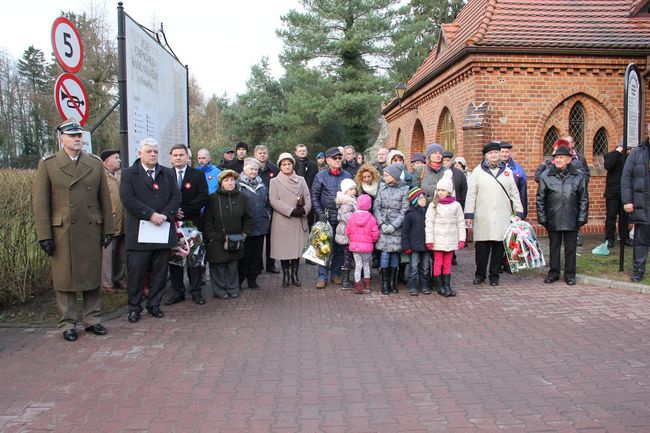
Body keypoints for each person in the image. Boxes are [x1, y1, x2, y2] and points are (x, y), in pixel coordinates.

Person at [33, 119, 114, 341]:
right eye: (72, 136)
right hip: (63, 231)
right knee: (64, 279)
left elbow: (104, 200)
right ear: (62, 139)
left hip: (90, 229)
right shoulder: (49, 164)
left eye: (79, 135)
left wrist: (108, 228)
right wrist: (44, 235)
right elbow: (41, 203)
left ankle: (92, 319)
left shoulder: (95, 163)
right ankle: (67, 323)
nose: (78, 139)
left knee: (91, 277)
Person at [120, 138, 181, 323]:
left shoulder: (167, 173)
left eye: (155, 151)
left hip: (162, 230)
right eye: (149, 151)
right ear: (140, 153)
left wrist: (165, 215)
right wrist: (150, 214)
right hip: (139, 233)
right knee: (137, 273)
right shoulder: (129, 174)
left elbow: (175, 197)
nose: (153, 154)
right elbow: (128, 199)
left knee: (160, 272)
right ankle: (134, 308)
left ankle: (154, 304)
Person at [464, 141, 524, 287]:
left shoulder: (507, 171)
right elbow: (471, 194)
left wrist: (519, 211)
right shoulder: (478, 172)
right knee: (482, 249)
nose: (494, 155)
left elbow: (514, 192)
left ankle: (494, 275)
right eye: (490, 153)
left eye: (496, 152)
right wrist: (469, 214)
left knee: (498, 248)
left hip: (501, 215)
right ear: (485, 155)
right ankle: (480, 274)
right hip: (483, 215)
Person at [536, 145, 589, 285]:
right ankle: (553, 273)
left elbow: (583, 198)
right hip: (553, 216)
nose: (558, 160)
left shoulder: (578, 175)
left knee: (570, 248)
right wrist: (542, 218)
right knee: (554, 247)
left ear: (569, 159)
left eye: (561, 157)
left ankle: (570, 274)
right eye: (556, 157)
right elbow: (540, 198)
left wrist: (582, 217)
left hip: (572, 216)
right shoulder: (546, 175)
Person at [165, 144, 209, 306]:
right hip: (172, 223)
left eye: (181, 155)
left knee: (194, 259)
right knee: (175, 259)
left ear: (187, 157)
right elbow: (161, 197)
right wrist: (173, 212)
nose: (178, 158)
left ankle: (196, 291)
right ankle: (178, 291)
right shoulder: (165, 175)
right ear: (171, 157)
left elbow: (203, 196)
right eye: (175, 155)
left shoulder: (197, 175)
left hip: (193, 223)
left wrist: (183, 210)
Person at [203, 170, 252, 299]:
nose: (230, 183)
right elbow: (207, 219)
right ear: (221, 183)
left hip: (235, 238)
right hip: (217, 238)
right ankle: (220, 290)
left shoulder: (242, 197)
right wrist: (212, 236)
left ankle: (233, 288)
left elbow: (248, 218)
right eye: (226, 180)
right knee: (218, 265)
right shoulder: (213, 198)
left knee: (232, 264)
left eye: (232, 180)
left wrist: (244, 234)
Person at [311, 147, 352, 288]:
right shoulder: (320, 176)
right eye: (335, 158)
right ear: (328, 160)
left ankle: (335, 274)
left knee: (340, 248)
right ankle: (322, 277)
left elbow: (353, 195)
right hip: (326, 216)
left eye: (340, 158)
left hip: (342, 218)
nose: (338, 160)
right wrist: (320, 213)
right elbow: (314, 196)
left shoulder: (347, 175)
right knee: (324, 248)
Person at [269, 153, 312, 287]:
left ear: (293, 165)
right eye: (284, 164)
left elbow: (308, 197)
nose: (287, 166)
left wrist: (304, 210)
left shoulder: (301, 180)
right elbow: (274, 200)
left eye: (289, 164)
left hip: (299, 220)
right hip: (283, 220)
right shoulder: (274, 181)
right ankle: (286, 275)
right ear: (280, 166)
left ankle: (295, 274)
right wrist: (290, 211)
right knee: (284, 249)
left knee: (296, 249)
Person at [425, 172, 466, 297]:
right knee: (438, 262)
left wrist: (462, 239)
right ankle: (439, 286)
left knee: (447, 263)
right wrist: (429, 240)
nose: (440, 192)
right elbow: (429, 223)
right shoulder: (433, 205)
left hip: (451, 239)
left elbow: (460, 222)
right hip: (437, 240)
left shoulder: (456, 205)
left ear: (449, 191)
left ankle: (447, 285)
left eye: (443, 190)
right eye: (438, 190)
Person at [374, 163, 409, 294]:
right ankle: (384, 284)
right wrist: (382, 224)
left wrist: (394, 225)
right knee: (384, 253)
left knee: (395, 254)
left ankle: (392, 283)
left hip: (396, 226)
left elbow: (404, 210)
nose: (385, 177)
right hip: (384, 225)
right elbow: (376, 207)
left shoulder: (404, 190)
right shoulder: (382, 188)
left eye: (387, 175)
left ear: (394, 176)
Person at [622, 127, 650, 282]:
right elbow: (626, 177)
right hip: (642, 203)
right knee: (641, 241)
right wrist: (627, 200)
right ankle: (638, 270)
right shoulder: (637, 153)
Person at [237, 158, 270, 289]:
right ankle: (240, 279)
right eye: (251, 169)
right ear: (245, 169)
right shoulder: (238, 185)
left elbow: (267, 203)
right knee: (245, 255)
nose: (253, 171)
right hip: (245, 226)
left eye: (256, 169)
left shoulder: (262, 185)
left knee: (256, 255)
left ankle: (252, 279)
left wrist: (267, 214)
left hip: (260, 224)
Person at [100, 149, 127, 294]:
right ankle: (106, 283)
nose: (119, 160)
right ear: (107, 161)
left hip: (124, 220)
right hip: (110, 220)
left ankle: (118, 278)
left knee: (121, 252)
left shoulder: (121, 175)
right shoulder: (101, 176)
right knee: (108, 254)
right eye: (116, 158)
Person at [253, 144, 280, 274]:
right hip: (256, 208)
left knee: (271, 238)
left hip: (272, 207)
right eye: (260, 153)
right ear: (255, 155)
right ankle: (257, 266)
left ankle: (271, 264)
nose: (262, 155)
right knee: (258, 239)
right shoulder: (251, 169)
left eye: (264, 153)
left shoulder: (274, 169)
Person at [346, 194, 379, 294]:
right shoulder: (372, 218)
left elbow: (348, 231)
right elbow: (375, 233)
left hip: (355, 247)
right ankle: (367, 285)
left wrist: (352, 239)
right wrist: (372, 241)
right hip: (367, 247)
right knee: (366, 265)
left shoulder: (352, 217)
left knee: (358, 265)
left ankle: (358, 285)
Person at [402, 187, 432, 296]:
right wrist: (406, 246)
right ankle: (413, 286)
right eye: (420, 198)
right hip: (414, 246)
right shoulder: (410, 215)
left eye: (424, 198)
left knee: (425, 268)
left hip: (426, 246)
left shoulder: (429, 213)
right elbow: (405, 232)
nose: (423, 200)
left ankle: (424, 285)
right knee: (413, 267)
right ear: (414, 201)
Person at [603, 141, 630, 249]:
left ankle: (624, 238)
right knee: (611, 216)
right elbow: (608, 165)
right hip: (612, 192)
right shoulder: (611, 155)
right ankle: (609, 239)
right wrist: (617, 152)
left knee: (624, 217)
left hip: (624, 192)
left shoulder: (628, 158)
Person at [335, 178, 358, 289]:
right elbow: (347, 218)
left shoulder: (352, 201)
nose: (354, 191)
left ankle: (347, 279)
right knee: (347, 257)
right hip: (346, 234)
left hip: (349, 233)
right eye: (351, 189)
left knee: (348, 256)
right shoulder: (346, 203)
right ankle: (345, 280)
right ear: (345, 191)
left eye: (354, 189)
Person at [500, 141, 528, 219]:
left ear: (510, 153)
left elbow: (522, 192)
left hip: (513, 207)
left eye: (507, 152)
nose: (504, 154)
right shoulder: (493, 168)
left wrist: (522, 213)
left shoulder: (518, 169)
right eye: (502, 152)